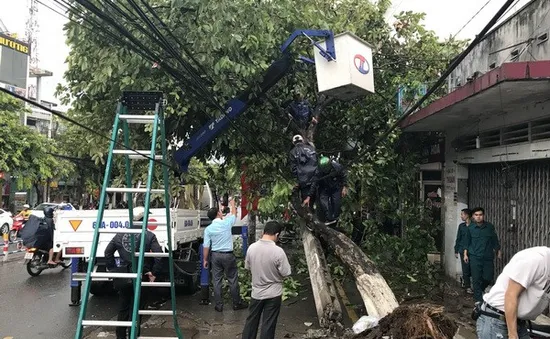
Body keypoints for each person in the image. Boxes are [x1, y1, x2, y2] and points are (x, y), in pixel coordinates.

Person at [104, 206, 163, 339]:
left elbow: (107, 252)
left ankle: (120, 336)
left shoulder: (120, 235)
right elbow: (159, 256)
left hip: (124, 276)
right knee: (137, 309)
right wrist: (154, 273)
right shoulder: (149, 235)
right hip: (142, 275)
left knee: (123, 307)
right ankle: (133, 335)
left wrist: (113, 270)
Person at [476, 246, 550, 339]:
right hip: (497, 320)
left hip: (518, 321)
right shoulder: (535, 260)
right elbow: (511, 295)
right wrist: (512, 334)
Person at [241, 221, 291, 339]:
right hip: (273, 294)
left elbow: (248, 267)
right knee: (268, 325)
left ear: (264, 232)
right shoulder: (278, 251)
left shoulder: (251, 248)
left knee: (251, 322)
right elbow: (286, 272)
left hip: (256, 293)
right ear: (277, 235)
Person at [203, 198, 248, 312]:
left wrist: (205, 260)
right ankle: (236, 303)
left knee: (217, 280)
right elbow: (234, 214)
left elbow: (206, 246)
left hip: (215, 256)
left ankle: (219, 305)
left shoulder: (208, 229)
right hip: (228, 255)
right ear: (219, 213)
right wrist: (232, 204)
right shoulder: (226, 223)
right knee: (232, 279)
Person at [464, 207, 501, 303]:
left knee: (488, 277)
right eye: (476, 215)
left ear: (483, 216)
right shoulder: (470, 228)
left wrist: (498, 250)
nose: (478, 217)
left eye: (480, 215)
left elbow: (494, 239)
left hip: (487, 257)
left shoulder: (489, 227)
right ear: (473, 217)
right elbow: (467, 242)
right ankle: (478, 301)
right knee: (476, 279)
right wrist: (465, 254)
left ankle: (479, 290)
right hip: (475, 257)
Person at [313, 156, 348, 225]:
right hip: (324, 187)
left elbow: (344, 175)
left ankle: (335, 219)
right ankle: (329, 218)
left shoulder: (337, 167)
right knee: (323, 202)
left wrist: (345, 187)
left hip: (336, 187)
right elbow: (315, 181)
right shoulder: (318, 171)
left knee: (336, 202)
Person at [289, 135, 318, 209]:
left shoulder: (293, 152)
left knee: (307, 203)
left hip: (304, 180)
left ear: (293, 142)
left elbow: (293, 168)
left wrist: (297, 180)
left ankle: (311, 215)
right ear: (302, 141)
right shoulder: (311, 148)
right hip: (316, 177)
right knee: (319, 198)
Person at [454, 208, 473, 294]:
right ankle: (468, 287)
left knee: (472, 268)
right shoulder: (461, 226)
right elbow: (458, 238)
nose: (461, 216)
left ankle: (469, 282)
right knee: (465, 268)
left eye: (462, 214)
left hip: (473, 250)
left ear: (467, 215)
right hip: (462, 250)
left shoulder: (474, 226)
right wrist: (456, 250)